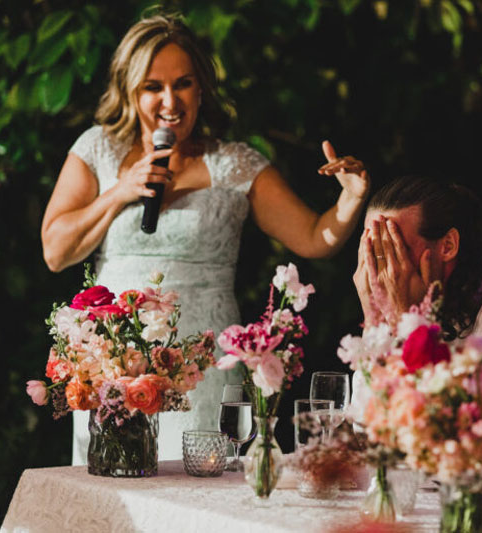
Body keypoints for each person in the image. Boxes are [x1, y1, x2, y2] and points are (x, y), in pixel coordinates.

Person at [41, 14, 369, 464]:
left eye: (183, 83)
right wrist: (120, 191)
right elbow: (55, 251)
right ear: (131, 90)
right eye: (153, 86)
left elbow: (316, 238)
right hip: (114, 367)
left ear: (202, 88)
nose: (169, 100)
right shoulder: (97, 149)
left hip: (203, 368)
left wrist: (351, 199)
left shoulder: (235, 163)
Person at [354, 175, 482, 380]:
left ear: (448, 246)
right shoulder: (400, 305)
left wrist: (407, 320)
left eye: (396, 251)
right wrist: (374, 319)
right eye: (375, 253)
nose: (382, 271)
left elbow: (461, 411)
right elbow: (364, 411)